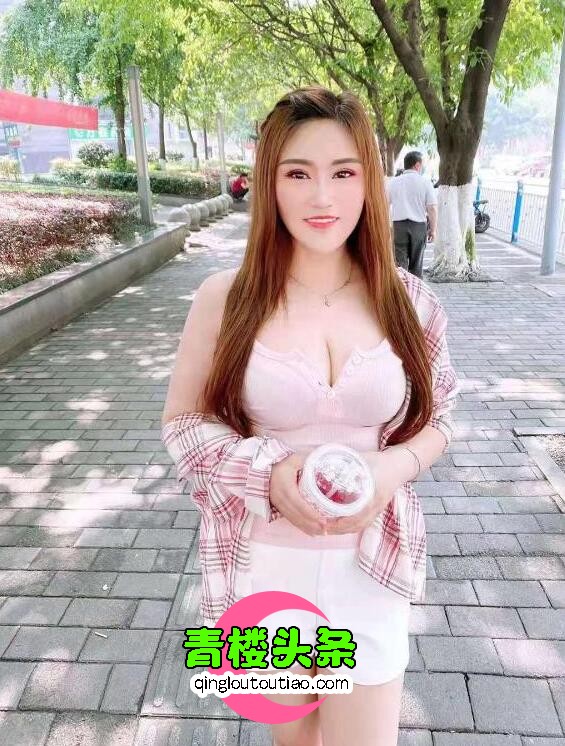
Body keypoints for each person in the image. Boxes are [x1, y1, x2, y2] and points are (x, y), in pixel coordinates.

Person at [161, 86, 458, 746]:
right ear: (269, 183)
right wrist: (268, 473)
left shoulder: (411, 303)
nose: (322, 197)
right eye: (297, 174)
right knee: (293, 742)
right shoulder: (224, 299)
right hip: (260, 572)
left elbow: (441, 417)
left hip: (372, 568)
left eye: (343, 173)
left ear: (369, 181)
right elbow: (182, 424)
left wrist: (391, 469)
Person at [386, 151, 438, 279]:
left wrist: (387, 226)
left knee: (399, 265)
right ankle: (416, 289)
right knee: (417, 265)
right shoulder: (425, 182)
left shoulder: (393, 182)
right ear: (417, 165)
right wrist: (433, 230)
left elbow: (384, 205)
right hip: (418, 227)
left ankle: (401, 289)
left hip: (398, 226)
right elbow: (432, 208)